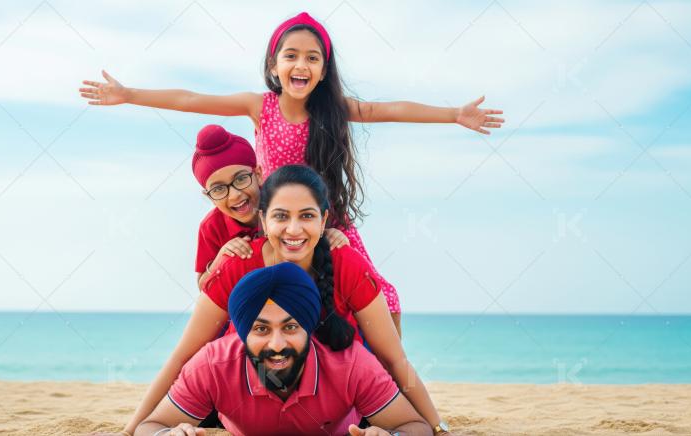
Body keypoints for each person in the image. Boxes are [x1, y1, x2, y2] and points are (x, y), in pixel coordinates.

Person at [79, 11, 506, 334]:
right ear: (274, 64)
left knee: (385, 295)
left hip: (326, 220)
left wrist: (454, 114)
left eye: (312, 58)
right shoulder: (258, 106)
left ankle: (391, 380)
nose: (301, 65)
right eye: (291, 56)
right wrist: (128, 94)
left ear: (323, 70)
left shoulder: (334, 111)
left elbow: (390, 109)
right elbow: (191, 98)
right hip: (276, 224)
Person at [120, 165, 452, 435]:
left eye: (307, 216)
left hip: (335, 394)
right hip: (252, 391)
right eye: (281, 217)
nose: (294, 229)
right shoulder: (238, 266)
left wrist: (436, 428)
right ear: (263, 220)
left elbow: (394, 358)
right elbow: (184, 354)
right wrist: (131, 429)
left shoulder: (345, 264)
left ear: (324, 221)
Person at [135, 262, 431, 436]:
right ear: (241, 332)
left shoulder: (352, 363)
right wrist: (167, 433)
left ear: (310, 328)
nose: (276, 345)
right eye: (261, 329)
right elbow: (150, 426)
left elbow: (416, 425)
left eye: (290, 328)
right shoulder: (212, 365)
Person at [191, 124, 348, 290]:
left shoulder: (286, 198)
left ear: (258, 174)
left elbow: (332, 225)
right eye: (218, 189)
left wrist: (335, 235)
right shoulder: (211, 227)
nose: (234, 195)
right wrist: (219, 261)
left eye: (241, 179)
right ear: (209, 196)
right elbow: (203, 286)